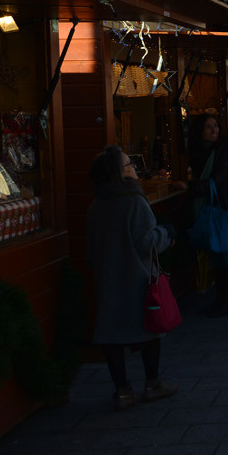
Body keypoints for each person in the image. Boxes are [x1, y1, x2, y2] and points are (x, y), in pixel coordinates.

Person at [85, 145, 178, 411]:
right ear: (119, 172)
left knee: (111, 336)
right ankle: (153, 384)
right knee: (149, 329)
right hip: (137, 279)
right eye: (129, 164)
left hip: (108, 280)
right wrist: (167, 233)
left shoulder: (96, 205)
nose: (133, 168)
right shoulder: (134, 201)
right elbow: (146, 242)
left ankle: (123, 391)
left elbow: (91, 250)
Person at [188, 113, 228, 315]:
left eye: (216, 126)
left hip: (226, 206)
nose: (214, 130)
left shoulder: (226, 149)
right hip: (214, 206)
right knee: (217, 253)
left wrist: (190, 187)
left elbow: (218, 179)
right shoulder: (198, 152)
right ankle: (221, 299)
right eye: (209, 127)